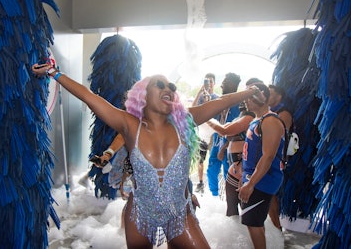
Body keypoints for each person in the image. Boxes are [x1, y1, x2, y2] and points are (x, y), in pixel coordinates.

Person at [32, 63, 263, 248]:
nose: (169, 89)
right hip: (140, 214)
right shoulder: (130, 125)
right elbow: (90, 97)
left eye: (171, 86)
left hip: (179, 214)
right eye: (159, 85)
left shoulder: (186, 120)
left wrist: (251, 91)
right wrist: (54, 72)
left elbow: (222, 101)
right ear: (143, 95)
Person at [237, 83, 286, 249]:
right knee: (254, 222)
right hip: (254, 177)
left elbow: (269, 155)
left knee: (254, 224)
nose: (246, 99)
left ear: (263, 96)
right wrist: (244, 178)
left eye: (251, 95)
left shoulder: (270, 120)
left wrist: (251, 183)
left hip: (262, 179)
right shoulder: (257, 120)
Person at [207, 101, 255, 216]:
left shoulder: (249, 118)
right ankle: (235, 234)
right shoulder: (240, 118)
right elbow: (229, 136)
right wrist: (223, 149)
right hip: (233, 170)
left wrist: (207, 118)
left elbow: (224, 131)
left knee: (248, 214)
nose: (244, 102)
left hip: (244, 173)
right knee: (232, 212)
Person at [206, 72, 241, 197]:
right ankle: (214, 197)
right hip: (217, 141)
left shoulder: (239, 105)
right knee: (211, 170)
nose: (221, 86)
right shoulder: (221, 102)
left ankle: (230, 200)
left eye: (224, 83)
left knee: (229, 173)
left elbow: (237, 130)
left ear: (232, 84)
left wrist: (224, 147)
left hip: (229, 144)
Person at [267, 84, 293, 230]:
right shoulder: (271, 112)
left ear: (279, 96)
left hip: (276, 159)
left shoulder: (284, 114)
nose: (266, 97)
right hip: (268, 157)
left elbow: (277, 138)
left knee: (271, 194)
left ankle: (277, 228)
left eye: (270, 94)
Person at [192, 73, 219, 193]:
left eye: (211, 81)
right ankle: (201, 183)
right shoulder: (201, 97)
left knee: (213, 160)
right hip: (202, 134)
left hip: (214, 133)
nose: (209, 84)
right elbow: (192, 108)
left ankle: (214, 186)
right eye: (206, 81)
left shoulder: (217, 97)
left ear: (214, 83)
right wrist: (199, 92)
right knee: (200, 160)